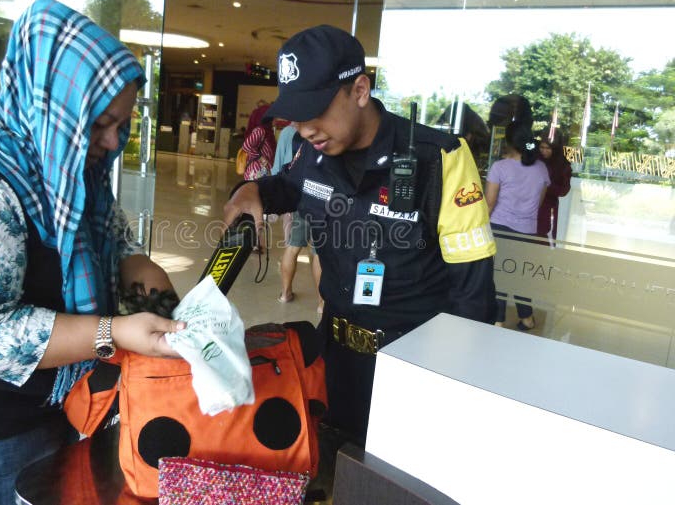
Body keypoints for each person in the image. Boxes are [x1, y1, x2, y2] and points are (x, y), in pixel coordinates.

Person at [0, 0, 184, 505]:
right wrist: (112, 333)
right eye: (98, 124)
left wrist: (143, 273)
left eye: (122, 124)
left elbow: (111, 238)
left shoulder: (69, 171)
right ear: (53, 105)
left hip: (44, 413)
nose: (113, 141)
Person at [222, 24, 497, 445]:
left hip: (412, 370)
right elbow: (288, 186)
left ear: (360, 90)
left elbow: (472, 294)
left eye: (315, 109)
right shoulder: (310, 152)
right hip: (333, 361)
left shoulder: (440, 159)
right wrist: (251, 190)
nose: (304, 127)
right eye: (296, 114)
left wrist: (448, 388)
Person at [485, 95, 550, 331]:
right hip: (527, 230)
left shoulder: (499, 167)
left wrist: (479, 224)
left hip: (500, 226)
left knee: (499, 274)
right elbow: (539, 202)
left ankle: (498, 320)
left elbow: (489, 203)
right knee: (520, 275)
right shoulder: (541, 168)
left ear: (510, 142)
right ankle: (527, 318)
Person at [271, 123, 323, 312]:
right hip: (322, 202)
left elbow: (281, 167)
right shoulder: (324, 133)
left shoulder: (290, 133)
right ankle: (321, 303)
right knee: (318, 253)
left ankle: (285, 294)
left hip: (300, 196)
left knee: (293, 247)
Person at [537, 128, 572, 241]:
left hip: (548, 210)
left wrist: (546, 186)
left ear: (555, 149)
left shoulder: (562, 165)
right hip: (530, 207)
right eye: (542, 147)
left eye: (548, 148)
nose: (544, 151)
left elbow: (564, 190)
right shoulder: (536, 160)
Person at [241, 101, 276, 180]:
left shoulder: (267, 131)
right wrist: (260, 157)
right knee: (256, 189)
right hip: (256, 170)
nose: (275, 119)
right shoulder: (261, 130)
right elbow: (246, 146)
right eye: (273, 117)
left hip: (262, 169)